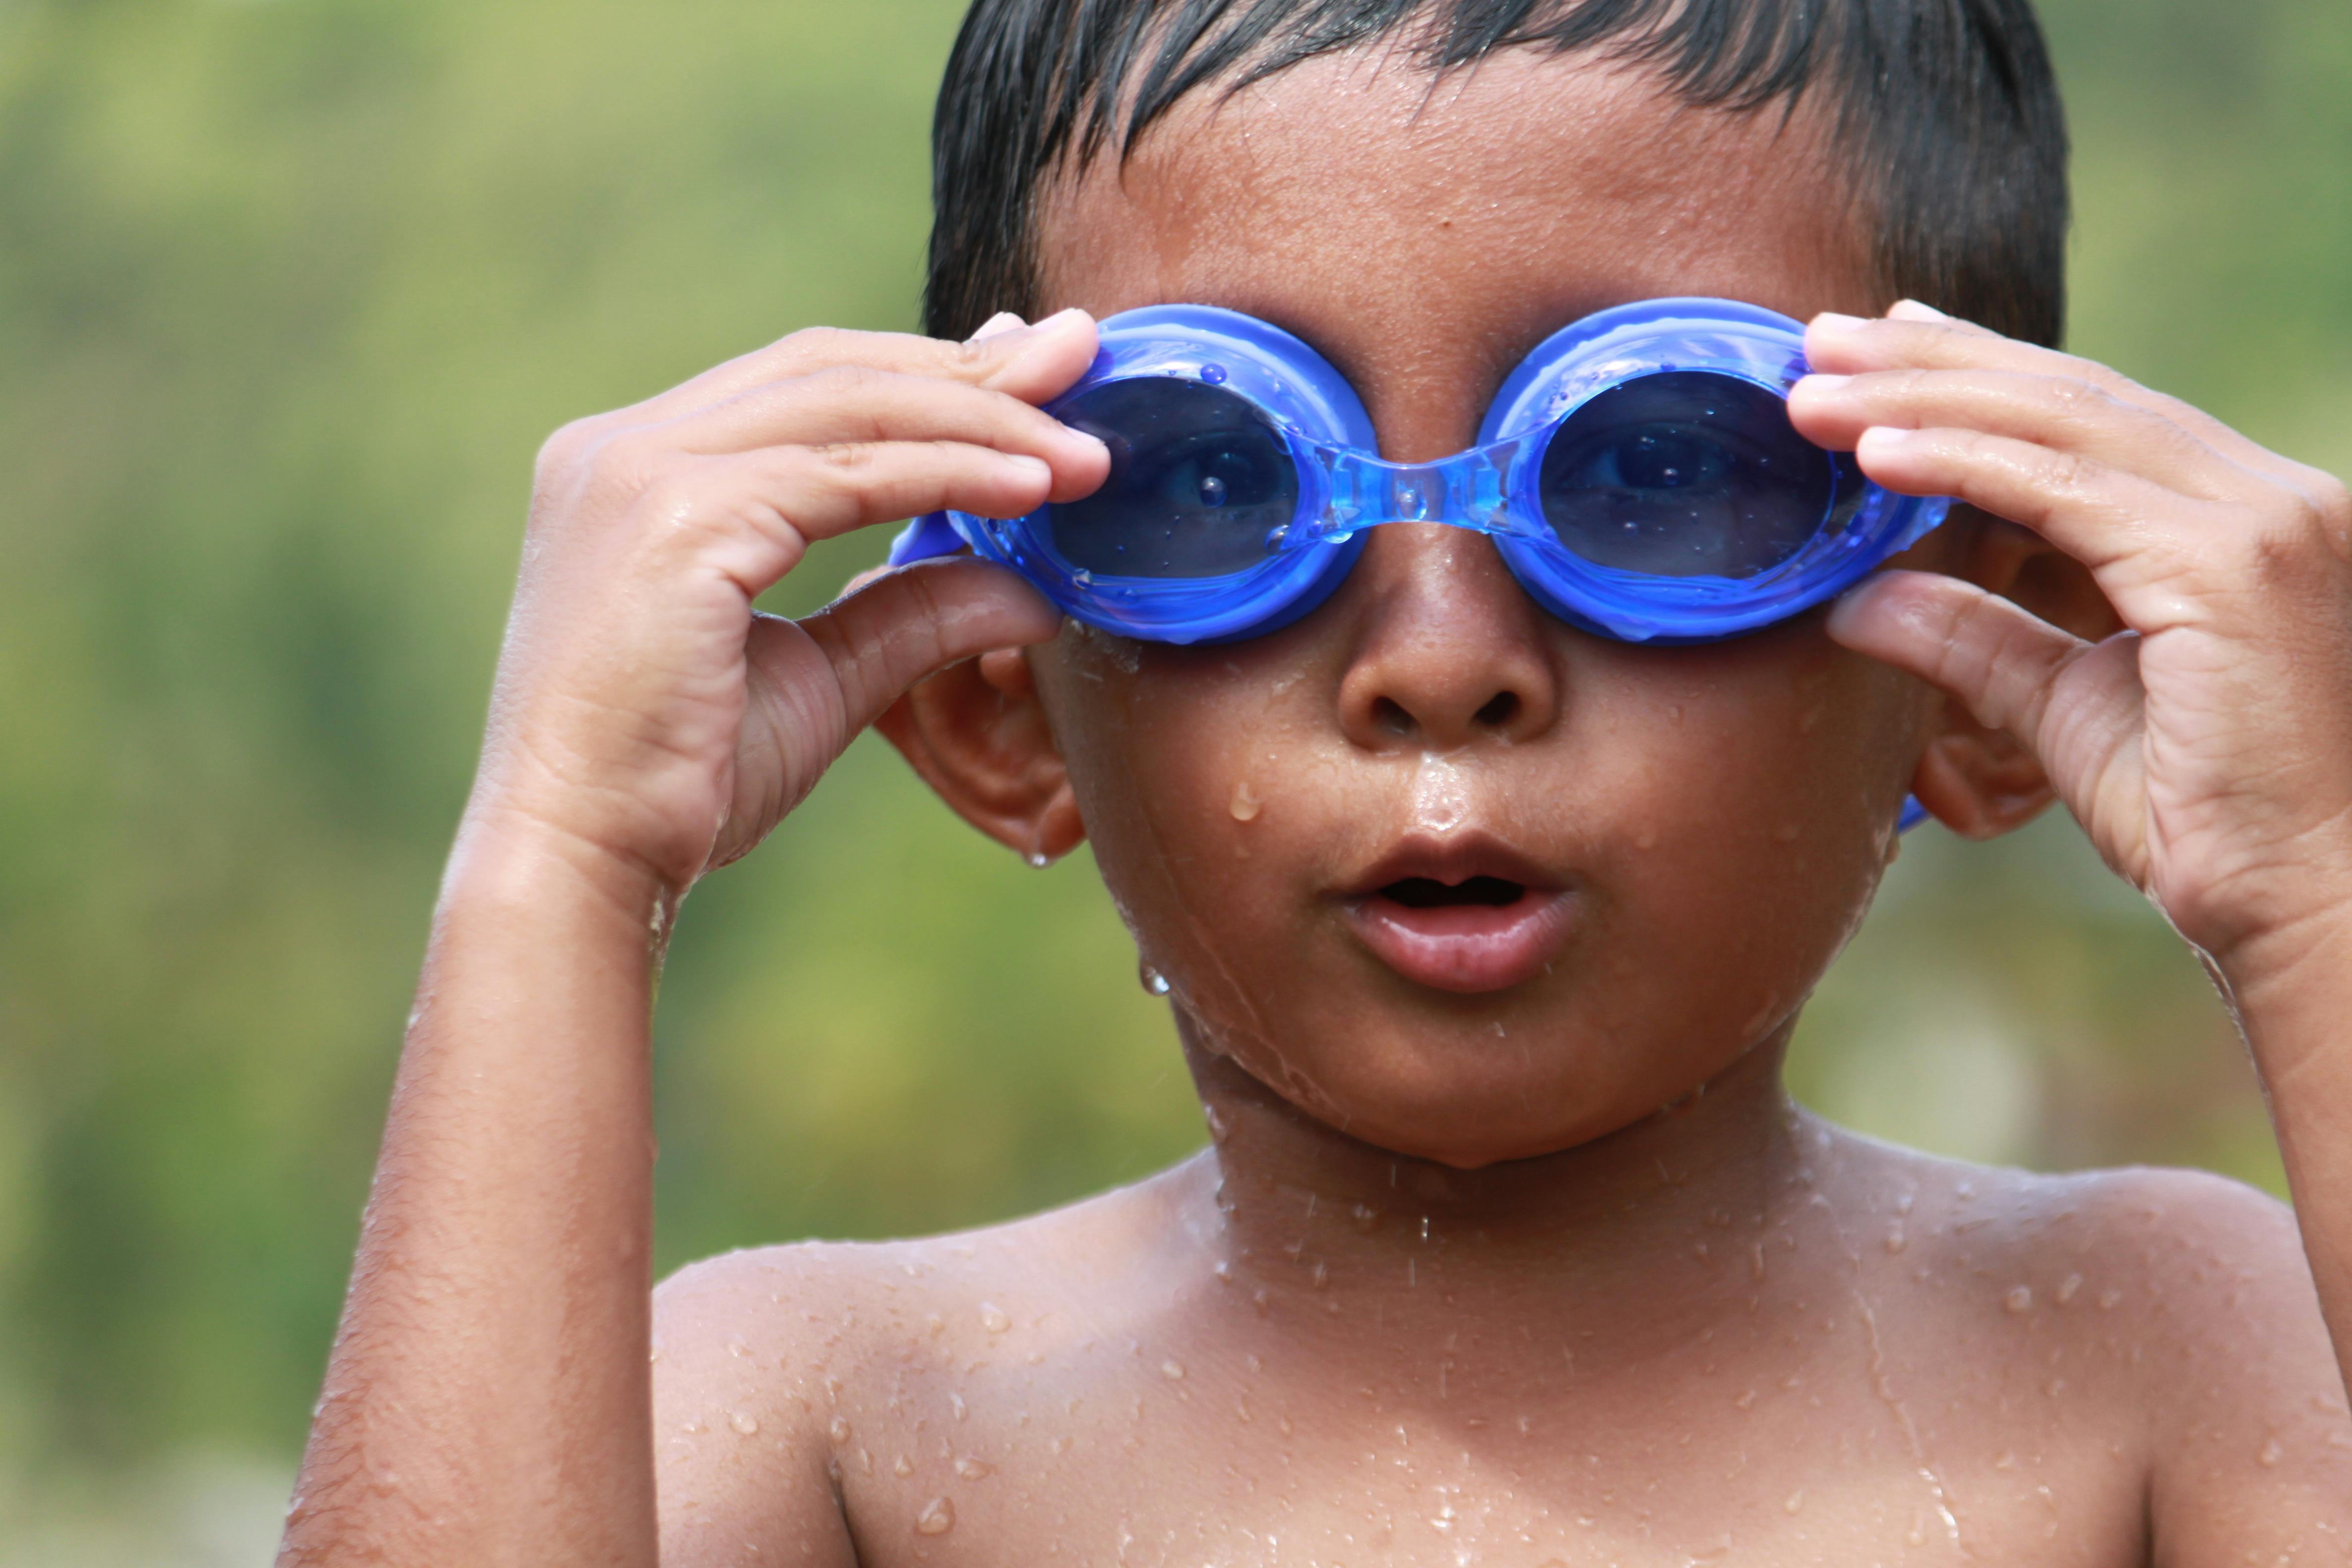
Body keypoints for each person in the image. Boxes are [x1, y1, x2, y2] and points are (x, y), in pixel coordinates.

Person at [277, 0, 2352, 1561]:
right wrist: (554, 869)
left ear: (1990, 674)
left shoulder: (2182, 1358)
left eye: (1658, 468)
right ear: (998, 698)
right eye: (1208, 480)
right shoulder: (826, 1421)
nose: (1441, 663)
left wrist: (2329, 890)